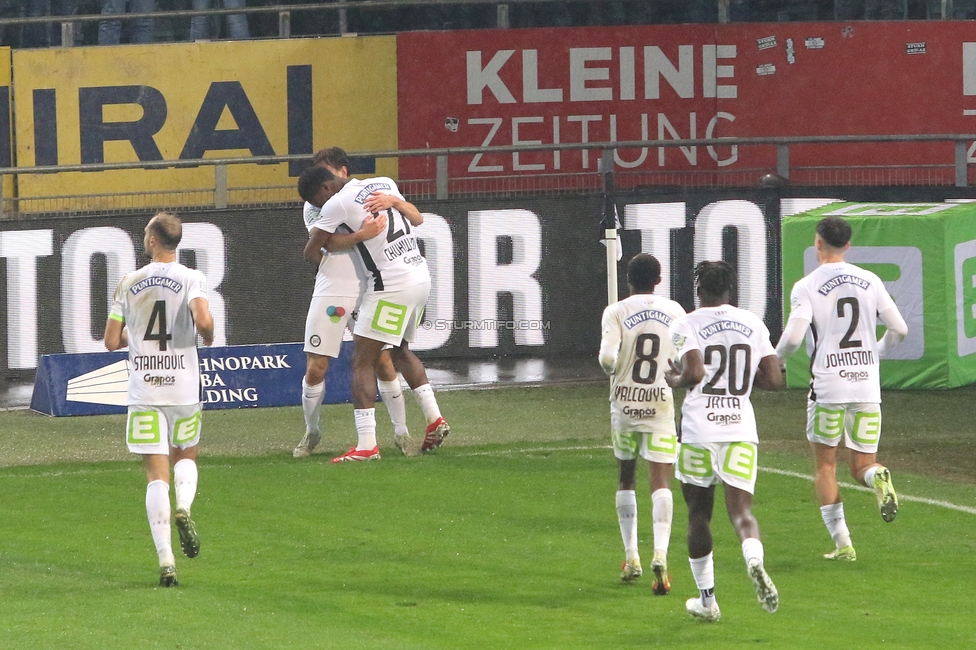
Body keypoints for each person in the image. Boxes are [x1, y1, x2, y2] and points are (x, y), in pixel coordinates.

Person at [297, 165, 451, 463]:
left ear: (328, 186)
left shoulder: (336, 203)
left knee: (364, 361)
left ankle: (369, 444)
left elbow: (312, 251)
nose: (317, 208)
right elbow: (418, 219)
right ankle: (434, 418)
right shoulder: (384, 183)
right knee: (398, 352)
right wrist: (393, 202)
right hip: (419, 276)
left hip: (388, 286)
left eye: (318, 201)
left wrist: (362, 235)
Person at [775, 216, 907, 561]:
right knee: (863, 464)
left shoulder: (806, 285)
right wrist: (876, 353)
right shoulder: (870, 280)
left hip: (829, 387)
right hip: (866, 387)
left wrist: (776, 361)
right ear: (848, 245)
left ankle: (843, 544)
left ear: (817, 242)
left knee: (826, 465)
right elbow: (900, 329)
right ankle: (879, 476)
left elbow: (792, 337)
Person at [665, 261, 783, 622]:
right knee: (742, 512)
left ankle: (707, 600)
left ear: (698, 290)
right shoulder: (752, 322)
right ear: (731, 289)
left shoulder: (687, 323)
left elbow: (696, 372)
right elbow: (775, 379)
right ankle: (754, 561)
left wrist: (676, 379)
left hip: (700, 429)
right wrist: (746, 380)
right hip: (741, 429)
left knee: (698, 515)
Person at [104, 212, 215, 587]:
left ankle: (166, 560)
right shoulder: (192, 277)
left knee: (155, 474)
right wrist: (208, 335)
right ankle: (184, 507)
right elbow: (203, 321)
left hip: (145, 387)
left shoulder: (128, 281)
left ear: (152, 241)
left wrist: (135, 337)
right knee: (186, 454)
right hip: (183, 384)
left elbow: (110, 341)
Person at [598, 253, 685, 594]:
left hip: (625, 403)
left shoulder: (616, 311)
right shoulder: (676, 311)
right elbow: (682, 357)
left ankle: (631, 555)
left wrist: (614, 370)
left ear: (629, 280)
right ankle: (660, 553)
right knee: (661, 478)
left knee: (626, 475)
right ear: (658, 280)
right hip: (660, 402)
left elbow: (607, 358)